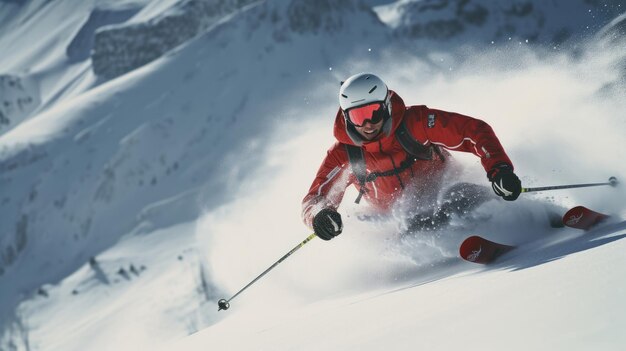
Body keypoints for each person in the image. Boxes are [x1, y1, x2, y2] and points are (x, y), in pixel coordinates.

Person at [301, 73, 522, 240]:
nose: (367, 124)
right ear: (346, 117)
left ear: (386, 106)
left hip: (450, 194)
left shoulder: (415, 123)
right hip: (397, 220)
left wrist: (499, 169)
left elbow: (473, 131)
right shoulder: (344, 154)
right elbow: (315, 199)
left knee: (457, 197)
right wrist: (320, 217)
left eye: (373, 112)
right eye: (358, 116)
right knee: (410, 226)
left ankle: (522, 221)